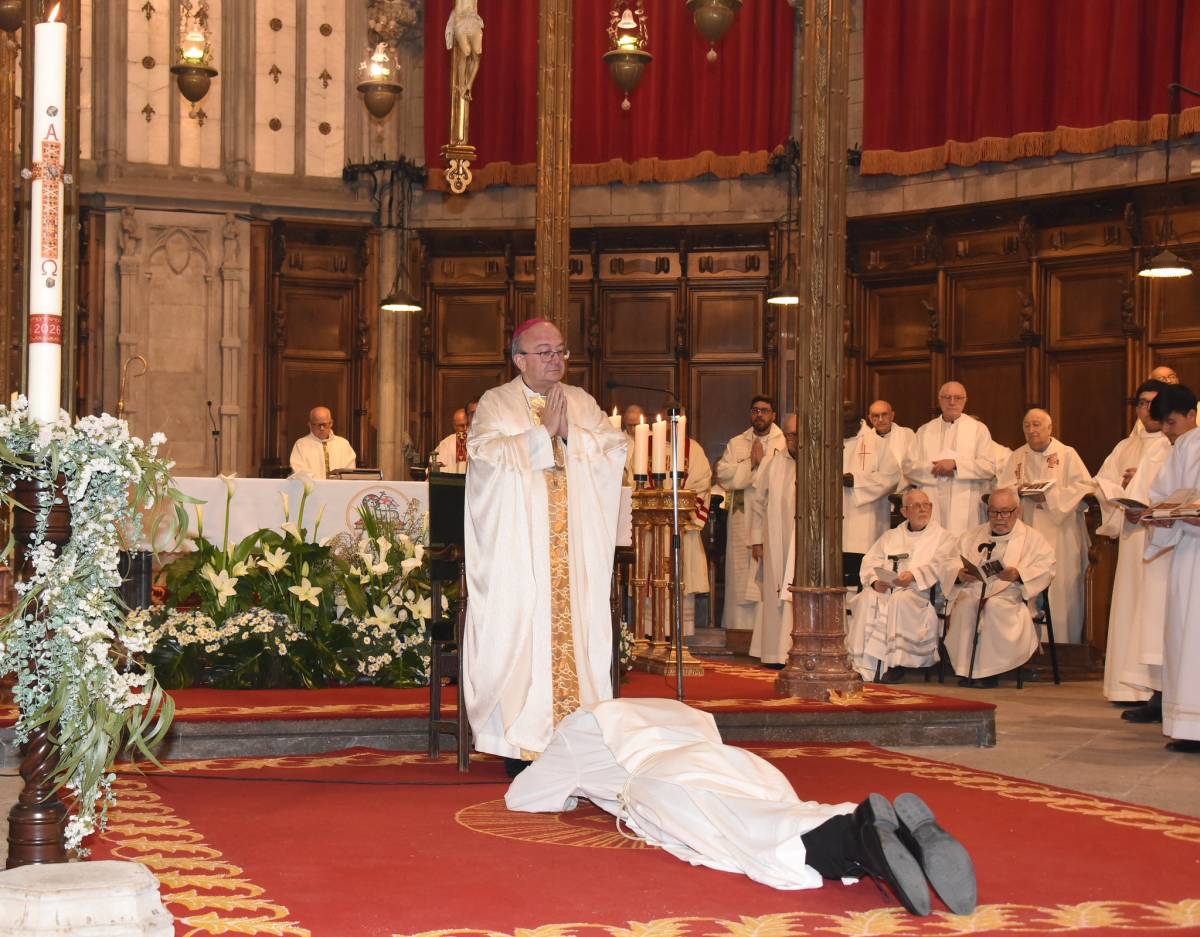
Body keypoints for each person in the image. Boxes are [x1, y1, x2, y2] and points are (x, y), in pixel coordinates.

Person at [506, 697, 977, 917]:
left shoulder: (578, 726)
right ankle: (891, 836)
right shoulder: (670, 706)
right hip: (737, 761)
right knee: (775, 808)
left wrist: (572, 786)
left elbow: (523, 797)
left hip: (659, 777)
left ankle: (857, 840)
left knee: (746, 834)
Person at [463, 318, 627, 770]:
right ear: (520, 359)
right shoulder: (497, 403)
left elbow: (615, 449)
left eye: (560, 351)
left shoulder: (580, 401)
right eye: (545, 352)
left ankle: (579, 737)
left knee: (578, 629)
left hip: (573, 551)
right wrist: (541, 436)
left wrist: (571, 434)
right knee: (523, 631)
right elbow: (484, 457)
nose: (556, 359)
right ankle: (520, 741)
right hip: (521, 550)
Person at [1096, 380, 1173, 710]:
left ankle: (1157, 691)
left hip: (1164, 540)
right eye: (1143, 403)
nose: (1148, 410)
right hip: (1133, 535)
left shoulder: (1175, 443)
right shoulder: (1124, 446)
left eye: (1155, 404)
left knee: (1156, 612)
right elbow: (1102, 482)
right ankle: (1127, 688)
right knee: (1131, 606)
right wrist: (1121, 505)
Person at [943, 487, 1056, 687]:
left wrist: (1019, 575)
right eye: (994, 512)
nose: (999, 518)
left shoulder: (1032, 538)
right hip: (974, 591)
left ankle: (988, 672)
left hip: (1010, 597)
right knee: (965, 606)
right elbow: (950, 562)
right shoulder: (973, 535)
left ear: (1017, 511)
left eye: (1005, 512)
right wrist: (960, 575)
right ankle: (966, 669)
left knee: (993, 607)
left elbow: (1046, 567)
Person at [999, 409, 1093, 644]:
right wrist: (1018, 492)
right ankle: (1029, 647)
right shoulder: (1017, 456)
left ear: (1050, 428)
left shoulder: (1067, 454)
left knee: (1062, 590)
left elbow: (1085, 488)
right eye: (1027, 425)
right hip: (1027, 530)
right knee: (1025, 587)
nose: (1032, 430)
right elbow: (1003, 489)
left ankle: (1062, 647)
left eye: (1037, 424)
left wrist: (1050, 497)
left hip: (1061, 533)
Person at [846, 490, 959, 683]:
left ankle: (895, 665)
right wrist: (875, 581)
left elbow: (944, 564)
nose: (923, 509)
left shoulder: (943, 537)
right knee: (867, 597)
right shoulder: (891, 536)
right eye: (916, 506)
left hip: (921, 595)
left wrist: (914, 575)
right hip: (889, 589)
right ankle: (860, 664)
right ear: (904, 511)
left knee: (900, 599)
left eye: (926, 505)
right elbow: (870, 561)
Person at [1144, 384, 1200, 753]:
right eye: (1162, 423)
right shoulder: (1181, 447)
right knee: (1184, 635)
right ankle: (1188, 724)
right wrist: (1155, 515)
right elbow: (1163, 496)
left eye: (1171, 421)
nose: (1167, 429)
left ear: (1192, 413)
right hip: (1188, 553)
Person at [715, 396, 786, 635]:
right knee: (739, 569)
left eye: (765, 411)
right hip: (742, 515)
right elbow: (723, 475)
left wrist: (762, 464)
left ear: (773, 415)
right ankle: (740, 629)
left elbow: (784, 474)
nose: (760, 415)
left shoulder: (784, 441)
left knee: (766, 566)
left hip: (771, 513)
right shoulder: (737, 443)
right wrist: (751, 466)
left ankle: (765, 629)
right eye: (755, 410)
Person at [904, 382, 996, 534]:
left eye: (957, 398)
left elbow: (989, 467)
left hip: (967, 507)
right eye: (947, 397)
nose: (952, 402)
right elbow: (908, 467)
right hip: (932, 499)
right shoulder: (924, 430)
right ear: (939, 400)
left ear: (965, 400)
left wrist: (955, 466)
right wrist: (937, 468)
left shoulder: (978, 429)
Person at [747, 413, 798, 667]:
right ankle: (776, 654)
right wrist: (757, 540)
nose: (794, 440)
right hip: (777, 541)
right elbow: (758, 505)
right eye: (789, 435)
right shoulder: (775, 463)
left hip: (804, 544)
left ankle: (798, 651)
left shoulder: (819, 462)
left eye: (798, 435)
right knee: (776, 590)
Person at [843, 411, 902, 587]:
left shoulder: (876, 443)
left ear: (858, 421)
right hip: (836, 523)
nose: (843, 427)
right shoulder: (830, 442)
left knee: (863, 573)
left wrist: (858, 482)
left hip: (865, 521)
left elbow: (892, 477)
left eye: (847, 422)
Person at [288, 406, 356, 479]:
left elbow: (349, 472)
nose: (322, 428)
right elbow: (298, 471)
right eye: (317, 425)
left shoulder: (343, 444)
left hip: (339, 488)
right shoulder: (301, 444)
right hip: (313, 489)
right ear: (310, 425)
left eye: (324, 424)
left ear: (331, 423)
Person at [865, 399, 916, 492]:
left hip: (901, 492)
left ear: (892, 416)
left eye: (884, 414)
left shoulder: (907, 435)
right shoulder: (864, 440)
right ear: (870, 419)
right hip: (872, 494)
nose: (880, 419)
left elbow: (913, 466)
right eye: (876, 416)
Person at [432, 408, 470, 473]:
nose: (465, 429)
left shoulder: (477, 441)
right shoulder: (446, 443)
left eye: (468, 424)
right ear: (454, 426)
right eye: (461, 426)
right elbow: (433, 468)